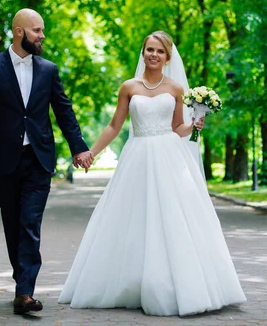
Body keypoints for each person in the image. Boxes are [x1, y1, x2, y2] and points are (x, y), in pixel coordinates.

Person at [58, 31, 246, 316]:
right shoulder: (129, 87)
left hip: (170, 156)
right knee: (132, 217)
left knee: (173, 218)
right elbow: (114, 125)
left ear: (167, 57)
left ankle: (180, 285)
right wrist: (91, 153)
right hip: (137, 156)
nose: (153, 55)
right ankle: (129, 283)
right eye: (149, 50)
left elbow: (177, 128)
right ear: (143, 53)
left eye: (159, 51)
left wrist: (195, 125)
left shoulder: (175, 89)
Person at [0, 8, 93, 315]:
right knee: (12, 224)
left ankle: (25, 292)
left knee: (29, 223)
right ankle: (21, 279)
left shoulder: (49, 70)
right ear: (19, 32)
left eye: (42, 30)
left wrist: (78, 148)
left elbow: (64, 111)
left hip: (38, 159)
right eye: (37, 30)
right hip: (4, 160)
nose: (42, 35)